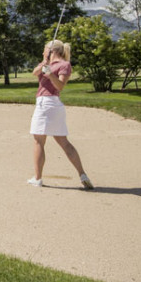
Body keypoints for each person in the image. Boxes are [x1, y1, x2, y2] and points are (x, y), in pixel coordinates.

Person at [29, 40, 93, 190]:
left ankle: (37, 179)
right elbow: (35, 73)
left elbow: (60, 86)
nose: (42, 52)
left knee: (38, 141)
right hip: (54, 107)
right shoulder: (46, 63)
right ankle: (82, 174)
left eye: (45, 50)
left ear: (51, 51)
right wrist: (44, 63)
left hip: (46, 104)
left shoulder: (65, 65)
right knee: (64, 142)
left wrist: (50, 74)